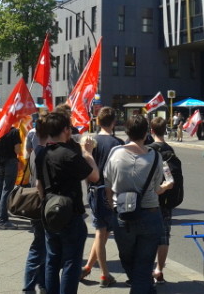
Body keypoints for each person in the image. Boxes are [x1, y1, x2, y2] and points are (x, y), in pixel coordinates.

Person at [104, 114, 173, 293]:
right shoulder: (155, 157)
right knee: (145, 261)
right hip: (150, 214)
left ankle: (141, 285)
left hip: (122, 215)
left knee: (127, 258)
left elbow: (107, 183)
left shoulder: (115, 153)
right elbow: (156, 186)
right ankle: (144, 286)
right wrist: (163, 188)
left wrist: (112, 206)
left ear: (126, 131)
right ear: (146, 134)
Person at [35, 111, 99, 294]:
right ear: (66, 130)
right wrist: (88, 153)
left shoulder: (42, 153)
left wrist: (46, 203)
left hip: (49, 212)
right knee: (71, 262)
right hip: (70, 213)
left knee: (52, 260)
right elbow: (94, 176)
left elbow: (39, 185)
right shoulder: (69, 155)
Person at [80, 106, 123, 288]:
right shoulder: (118, 143)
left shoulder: (91, 141)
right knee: (101, 232)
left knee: (102, 232)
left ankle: (88, 266)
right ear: (114, 122)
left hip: (94, 190)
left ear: (97, 121)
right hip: (111, 191)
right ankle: (105, 274)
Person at [147, 116, 178, 285]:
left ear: (151, 131)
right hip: (167, 200)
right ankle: (159, 270)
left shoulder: (149, 150)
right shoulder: (170, 150)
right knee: (164, 236)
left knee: (149, 236)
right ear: (165, 130)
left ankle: (148, 269)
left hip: (151, 200)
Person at [22, 112, 49, 294]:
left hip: (40, 205)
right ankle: (29, 286)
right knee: (39, 246)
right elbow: (40, 184)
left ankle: (41, 282)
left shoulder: (35, 151)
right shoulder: (41, 152)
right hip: (42, 205)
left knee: (43, 247)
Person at [0, 125, 22, 230]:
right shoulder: (14, 132)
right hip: (10, 162)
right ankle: (2, 220)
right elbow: (17, 150)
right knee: (7, 190)